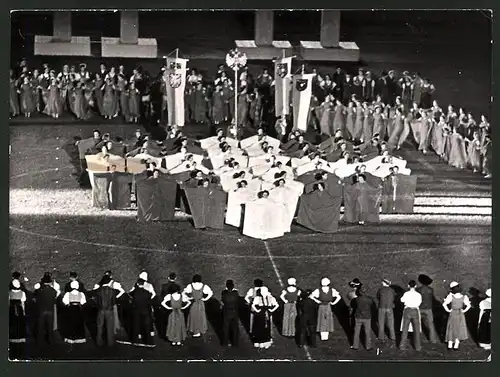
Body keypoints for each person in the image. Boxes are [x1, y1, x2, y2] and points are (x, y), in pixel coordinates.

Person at [92, 275, 119, 347]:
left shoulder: (98, 290)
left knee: (99, 326)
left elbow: (96, 301)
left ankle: (98, 342)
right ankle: (110, 343)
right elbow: (114, 302)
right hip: (109, 310)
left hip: (100, 310)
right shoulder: (112, 291)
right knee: (110, 327)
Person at [443, 281, 471, 350]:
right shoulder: (464, 297)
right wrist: (464, 310)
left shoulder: (451, 296)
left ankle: (449, 345)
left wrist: (448, 310)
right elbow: (468, 306)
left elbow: (444, 304)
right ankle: (456, 345)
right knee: (459, 328)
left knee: (451, 328)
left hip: (452, 313)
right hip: (460, 314)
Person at [129, 278, 155, 347]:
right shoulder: (147, 292)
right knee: (146, 324)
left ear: (137, 284)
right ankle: (147, 338)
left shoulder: (134, 292)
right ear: (143, 284)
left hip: (136, 310)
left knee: (136, 323)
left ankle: (137, 336)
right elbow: (150, 297)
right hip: (145, 311)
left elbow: (130, 294)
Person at [34, 273, 59, 344]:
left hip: (41, 310)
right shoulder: (54, 291)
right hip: (50, 310)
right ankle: (51, 340)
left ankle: (39, 341)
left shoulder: (39, 290)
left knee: (40, 326)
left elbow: (36, 299)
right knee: (50, 327)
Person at [399, 280, 422, 351]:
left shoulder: (406, 293)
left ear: (408, 286)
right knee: (416, 329)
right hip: (415, 310)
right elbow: (419, 303)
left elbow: (402, 300)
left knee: (405, 328)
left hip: (407, 310)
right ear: (415, 286)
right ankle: (418, 347)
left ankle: (402, 346)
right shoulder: (418, 294)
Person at [416, 274, 438, 344]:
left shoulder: (418, 290)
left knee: (417, 324)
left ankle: (417, 339)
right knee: (431, 325)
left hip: (419, 308)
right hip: (428, 309)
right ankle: (433, 340)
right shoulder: (431, 290)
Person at [351, 286, 374, 350]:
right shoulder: (369, 300)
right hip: (367, 317)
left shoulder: (356, 299)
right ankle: (368, 347)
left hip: (358, 316)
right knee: (367, 332)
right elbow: (371, 304)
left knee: (356, 331)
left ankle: (355, 346)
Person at [221, 279, 240, 347]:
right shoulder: (235, 293)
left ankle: (225, 342)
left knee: (226, 328)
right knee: (235, 328)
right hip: (234, 312)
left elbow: (223, 300)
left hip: (226, 312)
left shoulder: (224, 293)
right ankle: (235, 343)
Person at [9, 279, 27, 343]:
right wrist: (24, 311)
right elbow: (23, 303)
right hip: (19, 309)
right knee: (20, 322)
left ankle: (12, 337)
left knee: (12, 323)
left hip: (11, 309)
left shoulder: (9, 293)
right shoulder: (22, 293)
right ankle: (21, 337)